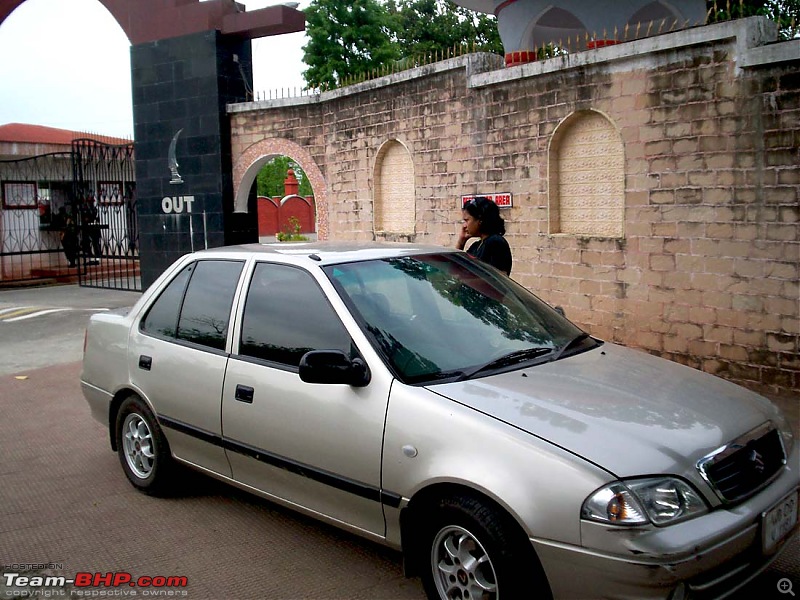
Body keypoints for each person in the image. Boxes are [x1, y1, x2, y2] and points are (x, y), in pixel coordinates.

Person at [456, 196, 512, 275]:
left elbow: (498, 278)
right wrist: (461, 242)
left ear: (480, 220)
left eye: (467, 220)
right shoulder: (476, 246)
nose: (464, 226)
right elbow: (454, 269)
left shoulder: (495, 242)